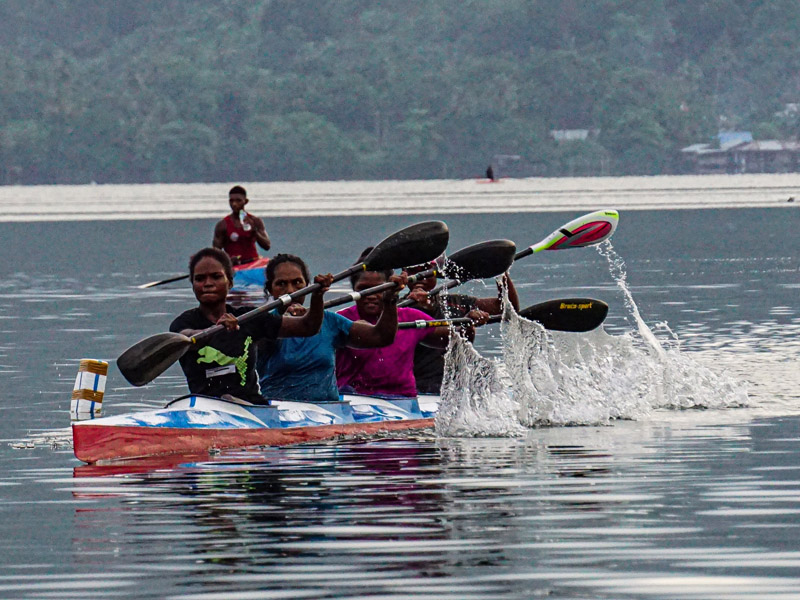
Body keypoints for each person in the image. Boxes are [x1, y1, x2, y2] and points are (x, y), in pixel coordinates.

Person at [170, 247, 331, 404]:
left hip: (250, 407)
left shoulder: (250, 318)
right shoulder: (183, 323)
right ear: (193, 285)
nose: (208, 284)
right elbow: (188, 336)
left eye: (216, 277)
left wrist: (317, 297)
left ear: (230, 282)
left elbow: (308, 327)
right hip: (203, 406)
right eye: (200, 279)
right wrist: (214, 330)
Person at [335, 248, 487, 398]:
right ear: (354, 290)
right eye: (364, 289)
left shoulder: (410, 317)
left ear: (390, 288)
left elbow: (452, 340)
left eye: (379, 289)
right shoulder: (339, 320)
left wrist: (468, 324)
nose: (371, 295)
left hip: (403, 399)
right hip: (352, 397)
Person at [256, 253, 407, 403]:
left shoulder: (328, 321)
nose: (290, 290)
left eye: (297, 282)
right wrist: (304, 306)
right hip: (278, 412)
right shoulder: (263, 324)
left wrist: (390, 300)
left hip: (329, 411)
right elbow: (304, 327)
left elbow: (381, 337)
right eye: (281, 284)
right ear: (270, 289)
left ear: (307, 285)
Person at [403, 264, 519, 394]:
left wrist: (500, 271)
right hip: (418, 389)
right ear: (404, 274)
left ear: (436, 273)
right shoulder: (397, 310)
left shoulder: (455, 302)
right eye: (414, 271)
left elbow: (508, 309)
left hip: (456, 387)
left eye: (426, 271)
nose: (422, 278)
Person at [212, 185, 271, 265]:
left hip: (253, 264)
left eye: (238, 201)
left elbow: (267, 246)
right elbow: (215, 253)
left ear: (245, 201)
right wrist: (227, 260)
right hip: (233, 266)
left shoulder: (255, 221)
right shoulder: (222, 225)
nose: (234, 204)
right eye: (231, 201)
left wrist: (254, 231)